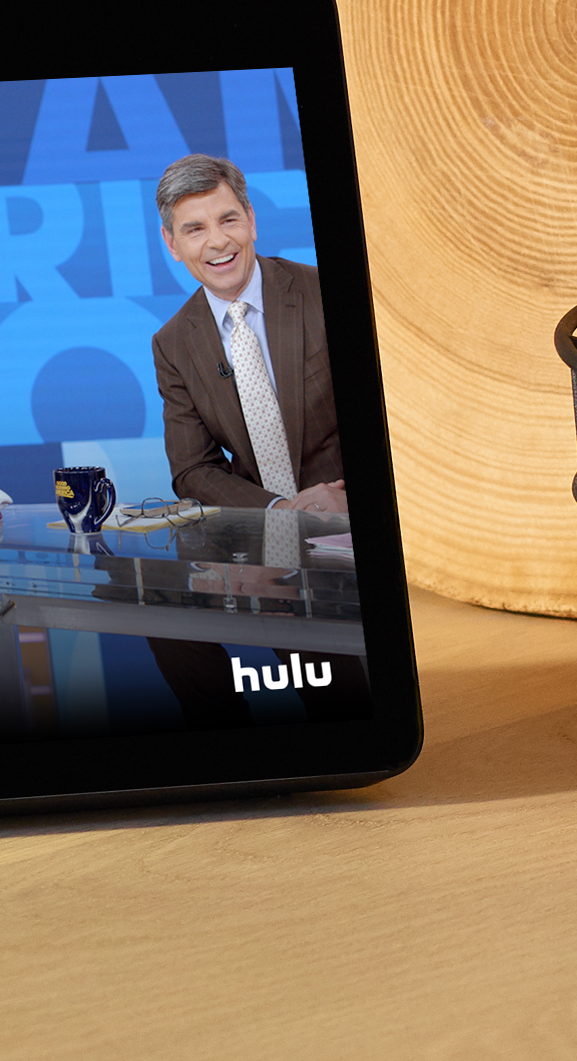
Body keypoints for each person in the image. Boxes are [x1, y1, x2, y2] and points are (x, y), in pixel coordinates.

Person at [146, 153, 366, 728]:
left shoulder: (323, 293)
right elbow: (192, 470)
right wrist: (277, 512)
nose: (217, 242)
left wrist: (344, 501)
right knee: (162, 608)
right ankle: (236, 747)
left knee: (339, 698)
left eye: (228, 220)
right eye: (194, 228)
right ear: (172, 243)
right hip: (268, 537)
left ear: (251, 219)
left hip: (352, 528)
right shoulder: (173, 342)